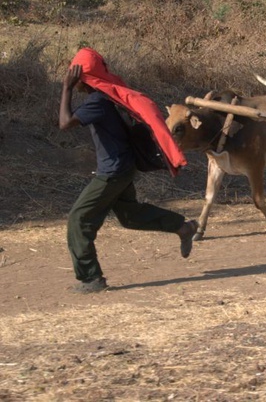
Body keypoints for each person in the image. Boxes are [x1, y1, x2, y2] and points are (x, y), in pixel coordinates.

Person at [59, 48, 198, 294]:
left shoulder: (97, 102)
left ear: (85, 78)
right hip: (123, 167)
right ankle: (182, 227)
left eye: (77, 75)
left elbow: (65, 123)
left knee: (78, 219)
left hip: (113, 171)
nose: (75, 79)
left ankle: (91, 278)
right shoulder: (108, 97)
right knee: (130, 215)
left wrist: (67, 88)